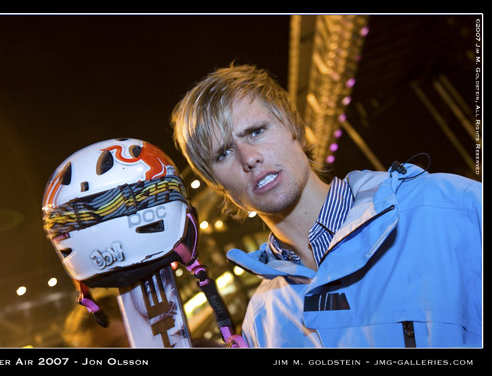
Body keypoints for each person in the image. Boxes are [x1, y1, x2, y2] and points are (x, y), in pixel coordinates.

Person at [171, 64, 482, 348]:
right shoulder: (263, 325)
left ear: (295, 127)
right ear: (217, 185)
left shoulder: (448, 206)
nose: (249, 157)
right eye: (224, 153)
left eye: (256, 131)